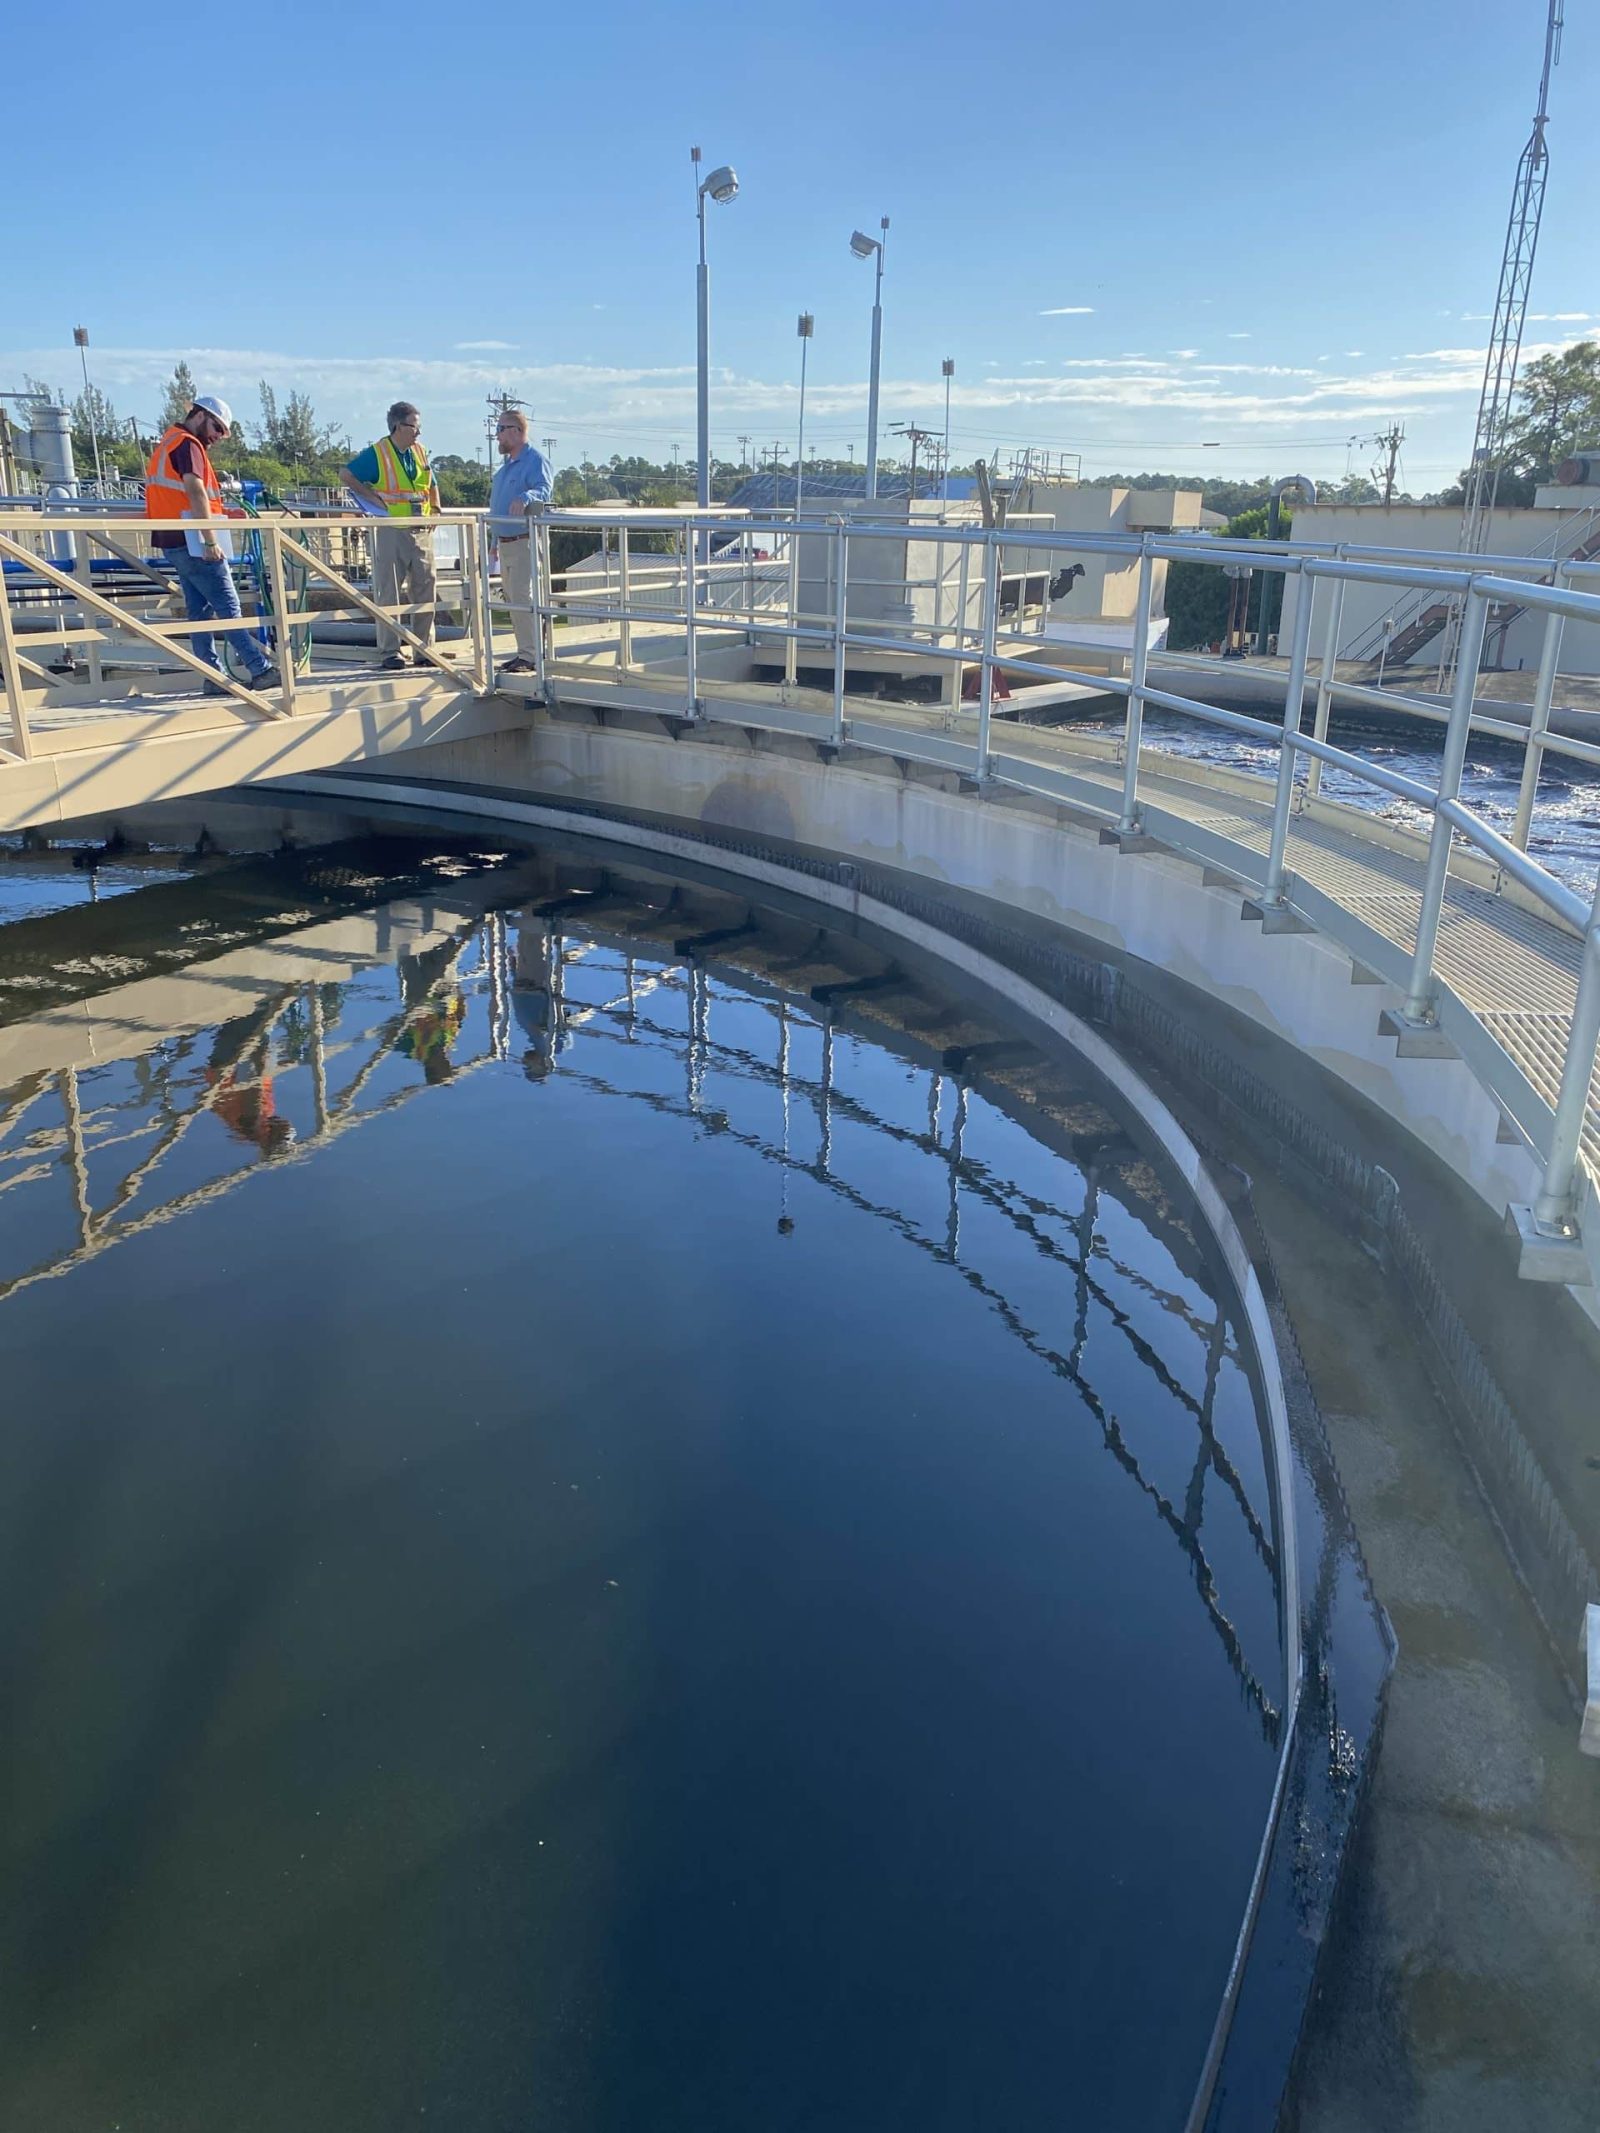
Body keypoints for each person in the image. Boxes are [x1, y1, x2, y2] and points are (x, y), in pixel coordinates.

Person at [143, 394, 275, 692]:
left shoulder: (170, 441)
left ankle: (213, 677)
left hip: (175, 537)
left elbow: (179, 497)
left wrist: (225, 512)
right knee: (228, 607)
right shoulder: (188, 444)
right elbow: (194, 490)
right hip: (194, 540)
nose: (217, 437)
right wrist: (210, 539)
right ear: (201, 416)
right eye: (217, 428)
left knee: (199, 611)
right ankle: (260, 668)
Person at [342, 402, 441, 669]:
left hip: (420, 528)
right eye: (414, 426)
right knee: (390, 591)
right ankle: (390, 651)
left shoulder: (419, 452)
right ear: (398, 426)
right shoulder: (379, 453)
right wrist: (371, 498)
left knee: (426, 587)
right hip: (390, 529)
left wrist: (437, 508)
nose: (418, 432)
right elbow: (347, 474)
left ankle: (424, 649)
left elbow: (431, 483)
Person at [489, 409, 553, 674]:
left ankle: (532, 655)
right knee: (514, 599)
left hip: (524, 540)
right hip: (505, 542)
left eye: (500, 430)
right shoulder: (505, 468)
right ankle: (524, 653)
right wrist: (493, 542)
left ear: (516, 430)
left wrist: (526, 497)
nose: (497, 437)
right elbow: (497, 508)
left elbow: (544, 488)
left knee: (525, 597)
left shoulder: (535, 460)